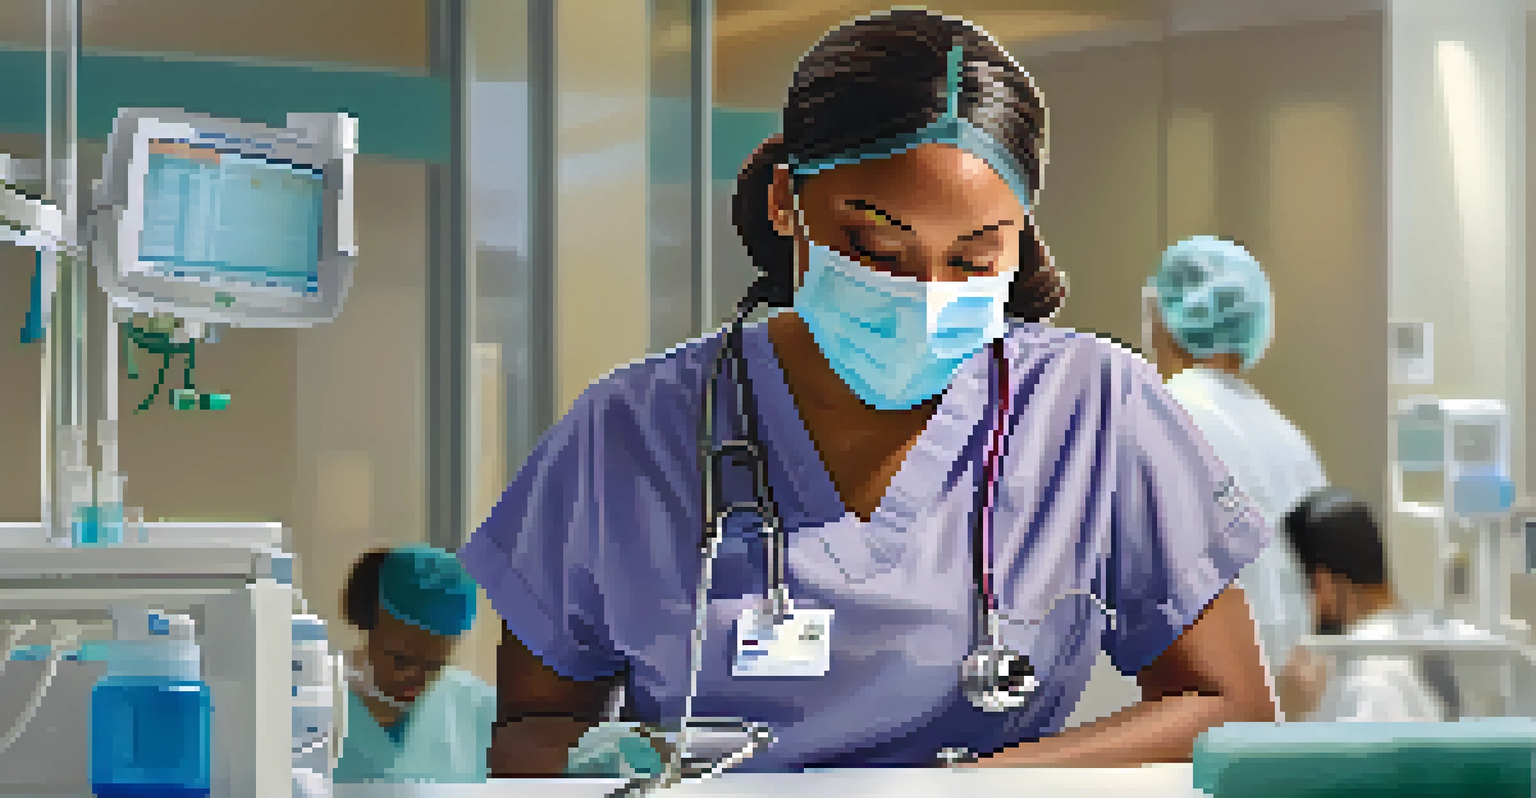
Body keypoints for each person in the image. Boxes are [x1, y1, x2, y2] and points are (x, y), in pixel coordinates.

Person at [463, 9, 1275, 776]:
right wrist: (602, 763)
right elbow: (528, 728)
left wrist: (979, 789)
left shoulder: (1093, 406)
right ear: (787, 202)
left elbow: (1227, 705)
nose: (924, 292)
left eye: (972, 259)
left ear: (1020, 240)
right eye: (877, 247)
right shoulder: (635, 430)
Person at [1146, 235, 1329, 712]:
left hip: (1203, 703)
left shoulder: (1162, 416)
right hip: (1290, 702)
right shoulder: (1288, 437)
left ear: (1164, 321)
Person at [1276, 489, 1453, 722]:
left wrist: (1286, 713)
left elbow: (1350, 759)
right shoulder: (1420, 636)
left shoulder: (1371, 679)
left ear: (1323, 586)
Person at [332, 545, 497, 783]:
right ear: (367, 624)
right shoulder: (312, 701)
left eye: (435, 666)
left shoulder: (477, 710)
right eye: (401, 660)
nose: (418, 678)